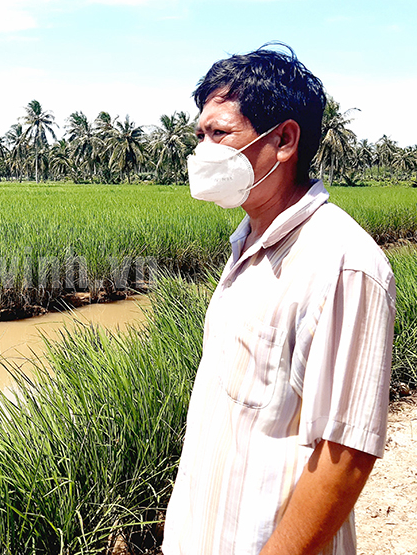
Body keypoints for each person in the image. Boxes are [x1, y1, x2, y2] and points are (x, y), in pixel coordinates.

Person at [162, 45, 395, 555]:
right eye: (200, 135)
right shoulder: (248, 244)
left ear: (284, 140)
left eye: (220, 134)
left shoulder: (341, 263)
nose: (203, 151)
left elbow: (345, 452)